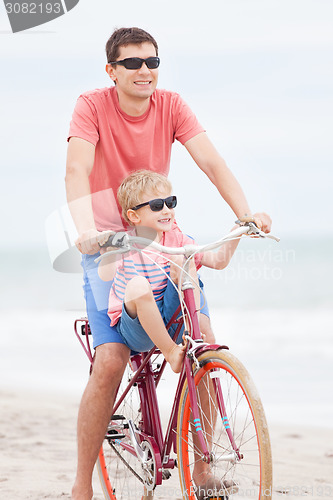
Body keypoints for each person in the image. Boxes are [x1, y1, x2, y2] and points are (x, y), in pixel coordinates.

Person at [65, 27, 271, 500]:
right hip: (109, 247)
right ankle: (81, 483)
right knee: (111, 361)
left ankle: (201, 468)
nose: (144, 71)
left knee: (205, 343)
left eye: (152, 62)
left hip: (160, 239)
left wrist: (245, 217)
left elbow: (212, 163)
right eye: (133, 63)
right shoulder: (91, 106)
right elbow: (76, 170)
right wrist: (85, 233)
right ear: (111, 70)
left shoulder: (172, 106)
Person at [98, 170, 242, 375]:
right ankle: (171, 352)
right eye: (157, 206)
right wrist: (108, 248)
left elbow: (219, 261)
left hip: (173, 319)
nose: (166, 210)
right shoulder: (125, 244)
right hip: (139, 329)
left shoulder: (178, 239)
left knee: (182, 258)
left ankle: (199, 332)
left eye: (170, 202)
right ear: (134, 215)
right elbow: (105, 275)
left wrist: (238, 229)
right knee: (138, 285)